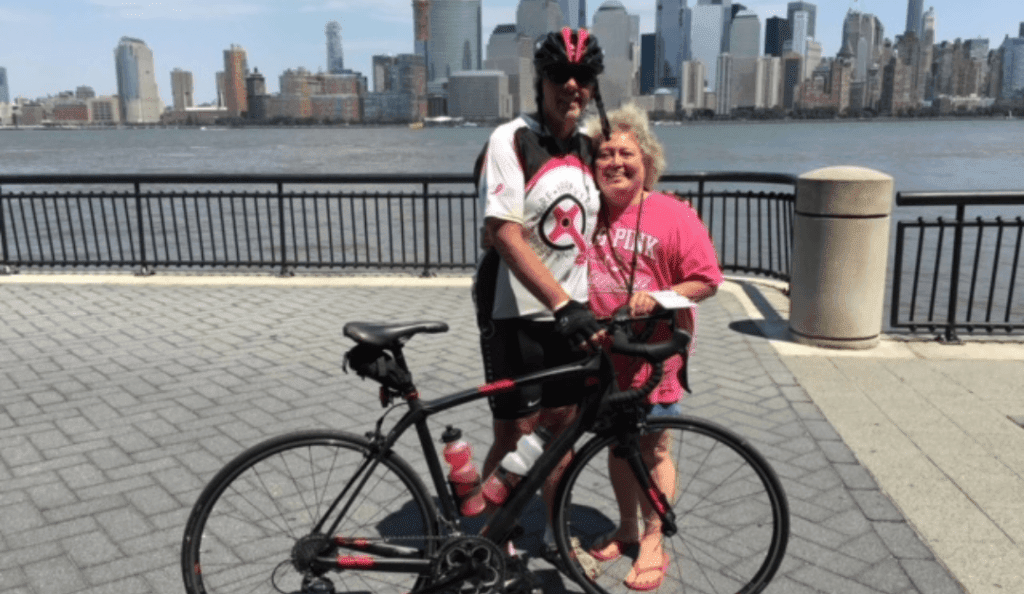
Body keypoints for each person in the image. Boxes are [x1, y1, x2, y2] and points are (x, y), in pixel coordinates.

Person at [472, 27, 610, 556]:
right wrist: (561, 304)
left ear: (593, 85)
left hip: (569, 313)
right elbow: (503, 232)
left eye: (583, 76)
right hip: (515, 311)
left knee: (561, 429)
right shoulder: (511, 139)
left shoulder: (588, 147)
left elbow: (616, 207)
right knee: (514, 433)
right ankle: (491, 538)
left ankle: (556, 529)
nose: (571, 85)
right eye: (560, 74)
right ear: (541, 80)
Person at [582, 103, 723, 591]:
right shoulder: (585, 213)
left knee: (654, 446)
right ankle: (626, 528)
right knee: (618, 445)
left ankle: (653, 537)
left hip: (655, 356)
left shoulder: (673, 213)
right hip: (604, 355)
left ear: (647, 160)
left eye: (627, 153)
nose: (615, 162)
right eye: (605, 154)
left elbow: (707, 279)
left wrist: (660, 297)